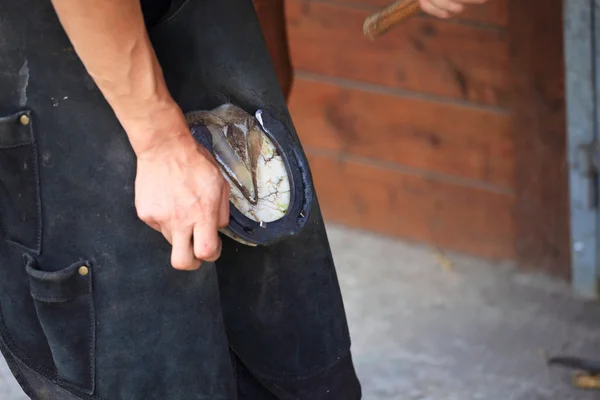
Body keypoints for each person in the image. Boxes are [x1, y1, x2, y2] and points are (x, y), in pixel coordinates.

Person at [0, 0, 487, 399]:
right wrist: (159, 140)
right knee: (148, 368)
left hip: (201, 28)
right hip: (69, 63)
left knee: (297, 364)